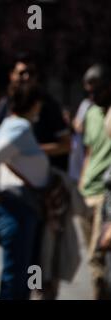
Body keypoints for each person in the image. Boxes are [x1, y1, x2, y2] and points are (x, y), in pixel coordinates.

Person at [0, 84, 50, 300]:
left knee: (21, 274)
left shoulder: (13, 124)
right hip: (17, 209)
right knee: (15, 276)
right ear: (34, 104)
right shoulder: (20, 126)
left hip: (22, 208)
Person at [0, 53, 71, 171]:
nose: (27, 77)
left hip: (43, 178)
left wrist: (32, 150)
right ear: (12, 75)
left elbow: (66, 145)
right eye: (22, 73)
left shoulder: (48, 104)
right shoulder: (4, 105)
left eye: (31, 73)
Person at [79, 64, 111, 299]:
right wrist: (81, 181)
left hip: (105, 192)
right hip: (87, 190)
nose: (92, 97)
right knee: (93, 258)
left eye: (97, 91)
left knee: (96, 255)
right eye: (88, 92)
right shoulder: (91, 113)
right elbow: (88, 152)